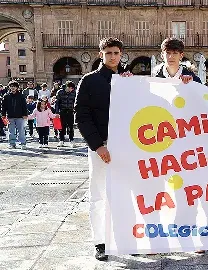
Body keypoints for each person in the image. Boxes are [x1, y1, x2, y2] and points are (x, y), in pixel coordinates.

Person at [75, 37, 132, 261]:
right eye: (108, 53)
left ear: (121, 55)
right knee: (98, 195)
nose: (112, 57)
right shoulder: (88, 81)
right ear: (101, 54)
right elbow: (82, 116)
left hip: (128, 147)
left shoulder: (130, 81)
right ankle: (100, 241)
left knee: (127, 193)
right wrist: (98, 146)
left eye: (116, 53)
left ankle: (124, 237)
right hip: (101, 146)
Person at [1, 80, 28, 149]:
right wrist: (3, 114)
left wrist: (25, 114)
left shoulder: (21, 96)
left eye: (14, 86)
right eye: (11, 86)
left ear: (17, 87)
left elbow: (24, 106)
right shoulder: (6, 96)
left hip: (20, 116)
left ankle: (23, 143)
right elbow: (3, 106)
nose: (13, 88)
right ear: (9, 87)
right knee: (11, 131)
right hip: (10, 116)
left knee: (21, 130)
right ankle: (12, 143)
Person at [56, 80, 77, 147]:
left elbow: (75, 102)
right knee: (62, 127)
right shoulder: (60, 92)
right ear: (67, 87)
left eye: (72, 89)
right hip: (62, 111)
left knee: (71, 127)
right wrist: (56, 112)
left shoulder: (74, 92)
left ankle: (71, 140)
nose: (71, 90)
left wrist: (75, 110)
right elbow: (57, 103)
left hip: (70, 111)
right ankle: (61, 140)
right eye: (71, 88)